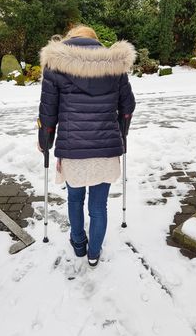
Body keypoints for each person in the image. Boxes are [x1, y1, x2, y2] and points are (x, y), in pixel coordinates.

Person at [38, 25, 136, 267]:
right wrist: (122, 133)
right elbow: (128, 107)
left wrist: (44, 141)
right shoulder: (114, 65)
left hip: (73, 148)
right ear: (96, 42)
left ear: (70, 39)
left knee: (74, 198)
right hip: (106, 149)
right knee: (98, 205)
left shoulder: (56, 65)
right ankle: (94, 252)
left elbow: (48, 112)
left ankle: (79, 244)